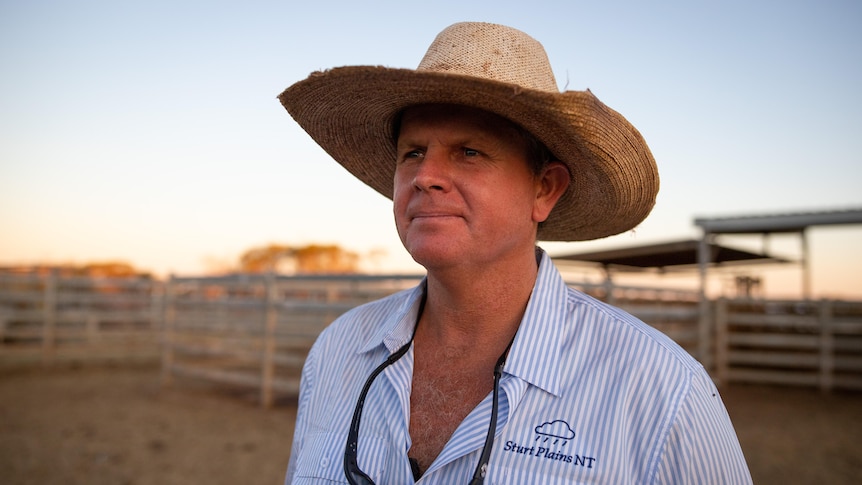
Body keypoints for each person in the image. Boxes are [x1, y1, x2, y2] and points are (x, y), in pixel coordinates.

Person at [278, 22, 752, 484]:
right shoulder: (337, 353)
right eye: (413, 152)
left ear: (544, 190)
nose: (425, 176)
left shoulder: (661, 393)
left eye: (469, 152)